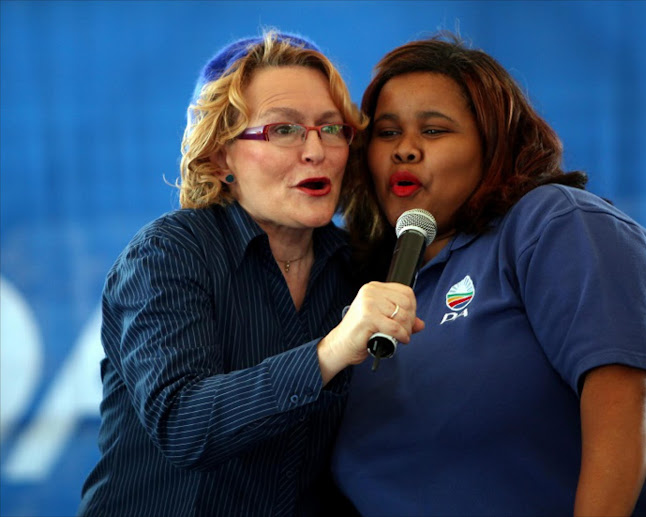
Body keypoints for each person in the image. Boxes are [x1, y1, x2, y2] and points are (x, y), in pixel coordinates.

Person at [332, 34, 646, 517]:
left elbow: (621, 395)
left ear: (494, 146)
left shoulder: (552, 222)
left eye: (435, 131)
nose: (406, 151)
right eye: (388, 132)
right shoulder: (369, 281)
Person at [77, 30, 421, 517]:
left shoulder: (356, 268)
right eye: (283, 129)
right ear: (220, 157)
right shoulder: (167, 255)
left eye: (331, 128)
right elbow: (184, 425)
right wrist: (331, 351)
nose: (315, 150)